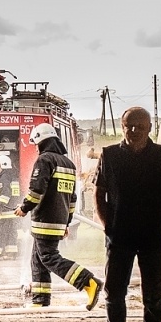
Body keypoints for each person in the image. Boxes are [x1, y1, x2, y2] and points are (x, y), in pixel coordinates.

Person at [93, 106, 161, 322]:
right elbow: (99, 193)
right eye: (129, 125)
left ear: (149, 128)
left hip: (154, 239)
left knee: (153, 300)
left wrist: (160, 227)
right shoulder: (109, 156)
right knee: (113, 293)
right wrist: (108, 226)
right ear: (123, 126)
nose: (134, 130)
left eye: (139, 126)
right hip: (119, 236)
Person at [16, 123, 102, 309]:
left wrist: (24, 208)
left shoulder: (45, 160)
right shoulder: (68, 164)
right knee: (38, 259)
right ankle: (40, 300)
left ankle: (88, 282)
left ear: (41, 141)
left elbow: (36, 190)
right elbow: (72, 198)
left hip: (44, 220)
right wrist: (66, 224)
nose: (36, 148)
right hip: (58, 221)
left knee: (48, 257)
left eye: (36, 143)